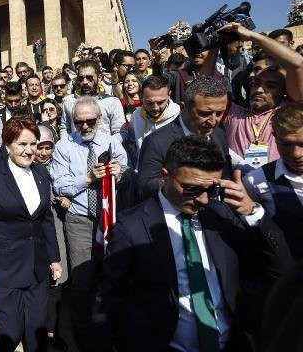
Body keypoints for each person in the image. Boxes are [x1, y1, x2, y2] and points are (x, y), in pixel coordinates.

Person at [80, 135, 262, 352]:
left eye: (212, 190)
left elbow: (268, 267)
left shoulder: (221, 214)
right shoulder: (131, 228)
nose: (204, 199)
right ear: (165, 176)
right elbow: (106, 302)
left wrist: (253, 212)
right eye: (192, 189)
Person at [0, 117, 62, 352]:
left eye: (33, 144)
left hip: (37, 268)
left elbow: (45, 220)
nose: (29, 150)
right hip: (4, 269)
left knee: (37, 333)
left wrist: (53, 258)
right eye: (22, 144)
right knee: (9, 334)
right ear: (8, 145)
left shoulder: (41, 173)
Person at [50, 96, 127, 331]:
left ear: (100, 119)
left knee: (112, 274)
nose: (84, 126)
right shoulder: (64, 146)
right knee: (82, 278)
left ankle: (110, 324)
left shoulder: (112, 142)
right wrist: (87, 178)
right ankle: (82, 329)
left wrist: (120, 173)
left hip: (109, 218)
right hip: (80, 220)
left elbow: (128, 172)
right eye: (79, 122)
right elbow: (60, 185)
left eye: (90, 121)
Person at [137, 76, 232, 200]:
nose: (213, 121)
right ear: (183, 108)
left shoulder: (219, 135)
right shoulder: (157, 142)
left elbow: (226, 176)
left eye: (219, 113)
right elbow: (145, 187)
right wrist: (182, 184)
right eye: (204, 113)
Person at [243, 102, 303, 276]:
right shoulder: (256, 181)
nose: (296, 154)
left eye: (302, 144)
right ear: (274, 137)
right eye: (286, 144)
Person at [34, 125, 69, 351]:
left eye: (49, 148)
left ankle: (54, 330)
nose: (44, 153)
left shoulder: (61, 165)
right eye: (40, 148)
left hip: (60, 229)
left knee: (59, 281)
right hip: (38, 233)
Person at [120, 74, 181, 165]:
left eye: (160, 102)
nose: (155, 108)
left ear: (169, 95)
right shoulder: (136, 116)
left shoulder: (179, 115)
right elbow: (132, 145)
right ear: (142, 97)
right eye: (149, 103)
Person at [59, 59, 125, 139]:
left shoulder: (112, 102)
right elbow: (65, 129)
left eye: (89, 77)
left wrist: (106, 146)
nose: (85, 82)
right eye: (81, 78)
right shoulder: (69, 102)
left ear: (100, 77)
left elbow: (120, 133)